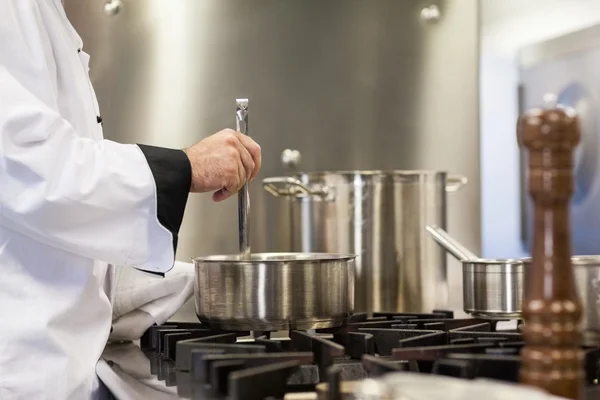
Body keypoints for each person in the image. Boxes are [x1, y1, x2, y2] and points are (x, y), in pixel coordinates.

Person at [0, 1, 262, 399]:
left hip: (60, 366)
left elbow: (44, 221)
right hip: (24, 374)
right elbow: (30, 170)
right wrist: (185, 168)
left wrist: (186, 282)